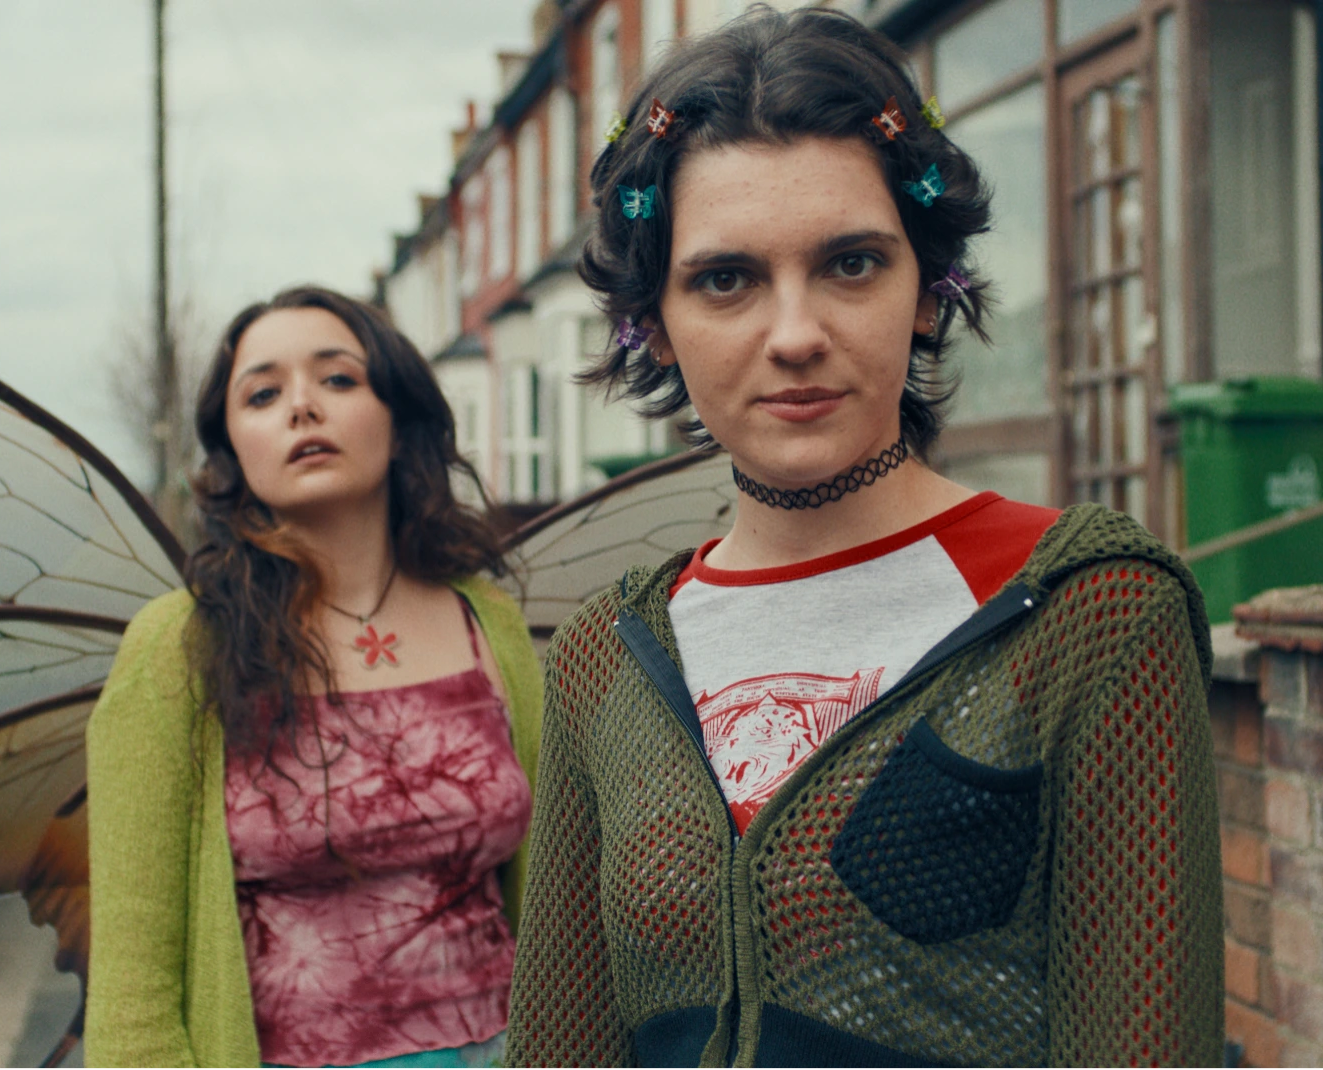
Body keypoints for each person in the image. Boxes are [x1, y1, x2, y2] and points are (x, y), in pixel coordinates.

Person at [505, 9, 1221, 1070]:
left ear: (930, 291)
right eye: (725, 278)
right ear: (653, 323)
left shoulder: (1088, 607)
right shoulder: (607, 655)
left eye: (849, 263)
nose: (794, 334)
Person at [86, 286, 540, 1070]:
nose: (302, 407)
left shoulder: (489, 624)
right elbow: (133, 990)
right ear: (231, 448)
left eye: (337, 379)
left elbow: (554, 894)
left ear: (398, 422)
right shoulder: (179, 647)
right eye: (262, 394)